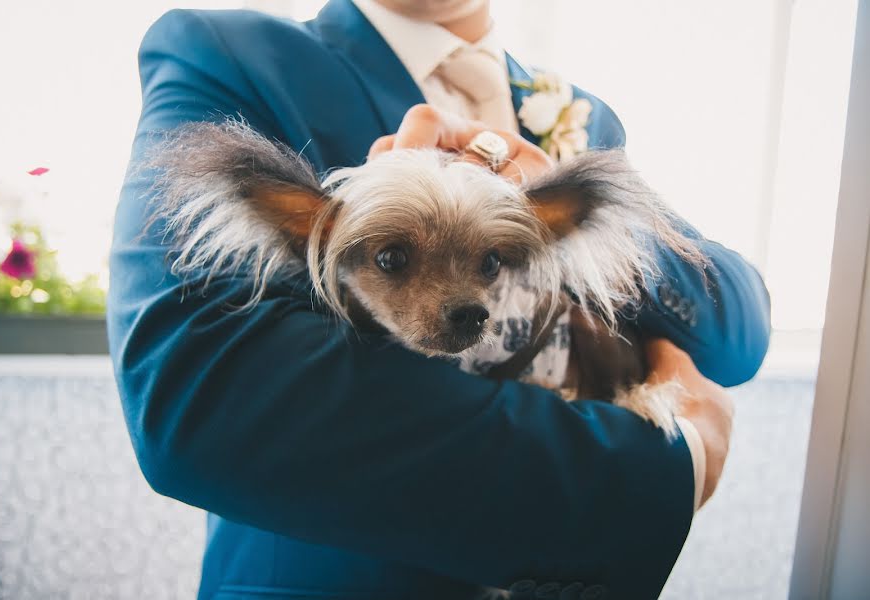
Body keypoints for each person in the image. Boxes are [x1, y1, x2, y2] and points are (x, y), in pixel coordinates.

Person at [108, 1, 770, 598]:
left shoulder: (585, 114)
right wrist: (668, 463)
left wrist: (570, 217)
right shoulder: (229, 52)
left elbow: (735, 338)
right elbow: (202, 398)